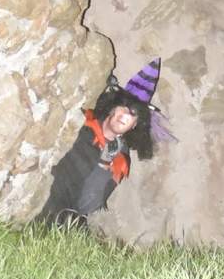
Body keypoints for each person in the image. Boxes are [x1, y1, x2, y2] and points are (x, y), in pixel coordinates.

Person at [35, 57, 175, 228]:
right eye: (124, 106)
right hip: (37, 194)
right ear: (113, 107)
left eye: (134, 114)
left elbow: (86, 206)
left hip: (62, 219)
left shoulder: (119, 160)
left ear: (135, 125)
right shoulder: (79, 122)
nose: (126, 115)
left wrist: (104, 162)